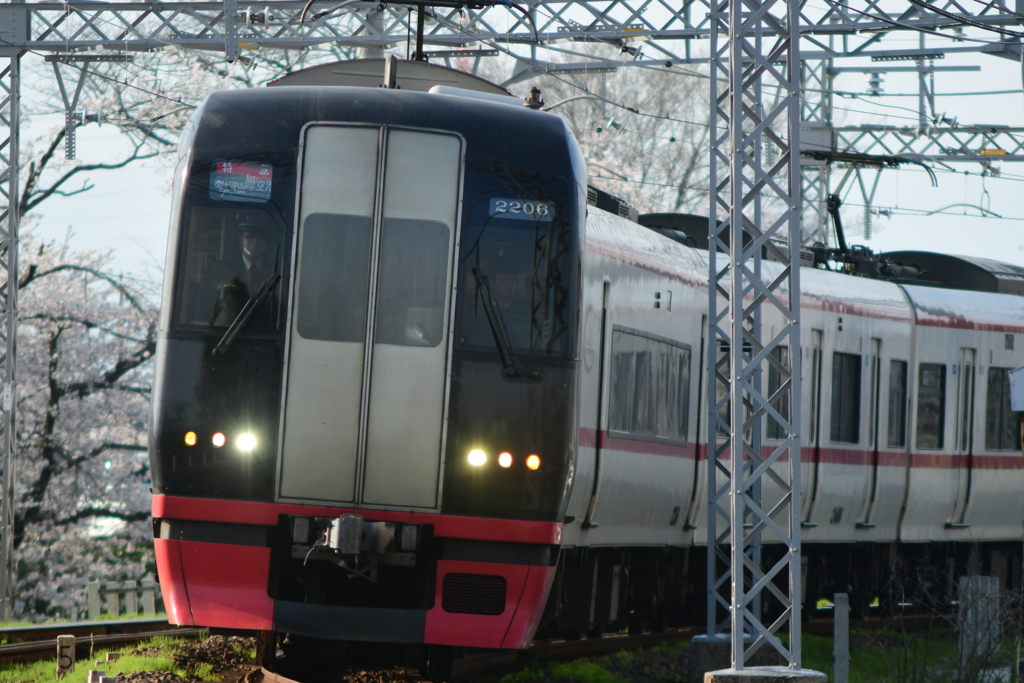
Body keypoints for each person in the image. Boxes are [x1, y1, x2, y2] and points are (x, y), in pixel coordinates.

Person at [210, 222, 281, 330]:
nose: (256, 242)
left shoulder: (277, 269)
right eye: (250, 237)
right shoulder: (222, 268)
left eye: (260, 237)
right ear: (240, 239)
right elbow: (207, 304)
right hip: (226, 334)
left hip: (265, 334)